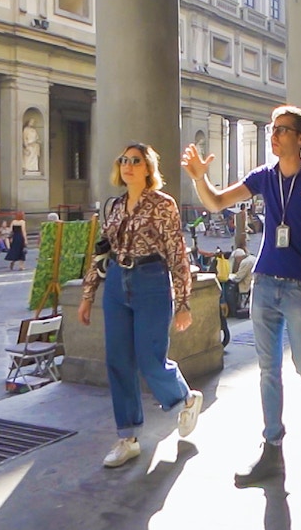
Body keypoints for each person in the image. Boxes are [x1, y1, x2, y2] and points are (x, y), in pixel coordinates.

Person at [181, 105, 301, 486]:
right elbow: (216, 202)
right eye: (272, 129)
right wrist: (198, 179)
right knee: (268, 370)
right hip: (264, 284)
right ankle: (272, 449)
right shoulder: (264, 177)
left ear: (300, 137)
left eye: (281, 130)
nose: (273, 136)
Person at [78, 143, 203, 468]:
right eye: (124, 160)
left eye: (136, 161)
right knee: (118, 361)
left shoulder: (163, 205)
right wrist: (88, 294)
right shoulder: (116, 206)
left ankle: (184, 398)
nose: (128, 165)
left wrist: (183, 301)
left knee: (150, 359)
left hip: (151, 281)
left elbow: (177, 252)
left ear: (148, 168)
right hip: (118, 282)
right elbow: (102, 250)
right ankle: (128, 437)